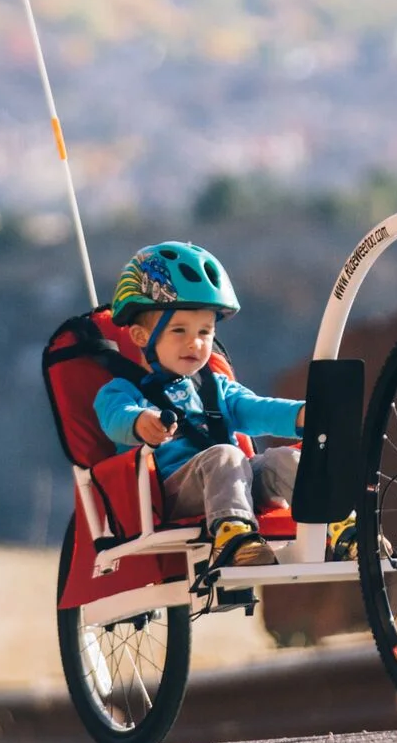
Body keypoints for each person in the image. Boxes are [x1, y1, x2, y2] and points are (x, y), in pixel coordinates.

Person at [94, 242, 310, 569]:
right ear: (140, 337)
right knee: (226, 454)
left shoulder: (215, 387)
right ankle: (235, 541)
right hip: (173, 495)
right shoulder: (123, 390)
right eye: (179, 330)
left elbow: (256, 409)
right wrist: (140, 423)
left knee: (285, 459)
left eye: (205, 331)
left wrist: (302, 415)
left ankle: (339, 526)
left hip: (233, 481)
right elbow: (114, 418)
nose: (195, 342)